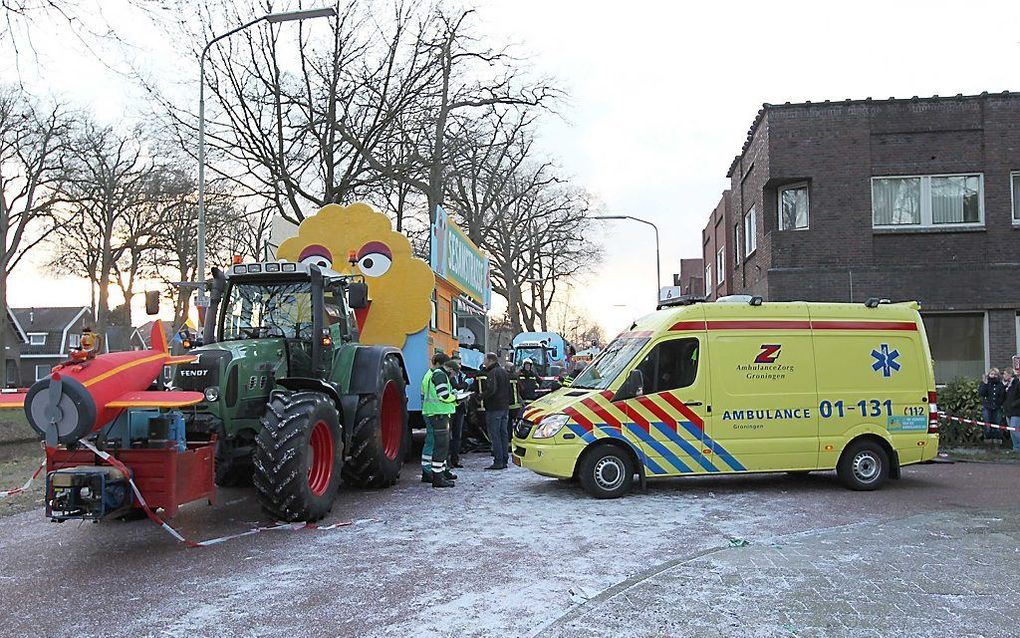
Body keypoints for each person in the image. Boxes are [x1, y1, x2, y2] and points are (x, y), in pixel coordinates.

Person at [421, 352, 458, 488]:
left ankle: (438, 472)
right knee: (437, 445)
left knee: (438, 445)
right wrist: (456, 398)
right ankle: (431, 472)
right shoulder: (438, 375)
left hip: (436, 412)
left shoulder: (432, 375)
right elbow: (442, 395)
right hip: (437, 413)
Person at [480, 352, 511, 470]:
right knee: (503, 433)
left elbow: (491, 389)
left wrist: (480, 397)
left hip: (494, 408)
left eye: (485, 360)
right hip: (504, 407)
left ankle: (498, 460)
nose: (484, 362)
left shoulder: (492, 373)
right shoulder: (504, 372)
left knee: (495, 434)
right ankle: (504, 459)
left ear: (490, 360)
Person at [445, 357, 468, 469]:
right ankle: (448, 460)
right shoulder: (450, 376)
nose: (459, 366)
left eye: (460, 364)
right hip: (451, 408)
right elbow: (457, 386)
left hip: (460, 408)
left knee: (457, 436)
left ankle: (455, 459)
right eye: (456, 364)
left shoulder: (462, 375)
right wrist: (465, 385)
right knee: (448, 436)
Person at [978, 368, 1006, 440]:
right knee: (987, 425)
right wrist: (985, 384)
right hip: (987, 407)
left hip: (997, 407)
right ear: (989, 375)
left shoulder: (1000, 384)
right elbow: (981, 393)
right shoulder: (986, 383)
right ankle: (988, 441)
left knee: (997, 425)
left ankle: (997, 442)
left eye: (995, 374)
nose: (993, 376)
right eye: (992, 374)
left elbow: (1002, 395)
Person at [1003, 368, 1020, 453]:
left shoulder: (1017, 383)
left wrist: (1014, 404)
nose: (1004, 376)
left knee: (1015, 429)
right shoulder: (1007, 385)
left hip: (1016, 411)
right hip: (1008, 411)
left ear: (1010, 375)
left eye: (1005, 374)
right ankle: (1016, 449)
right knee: (1011, 431)